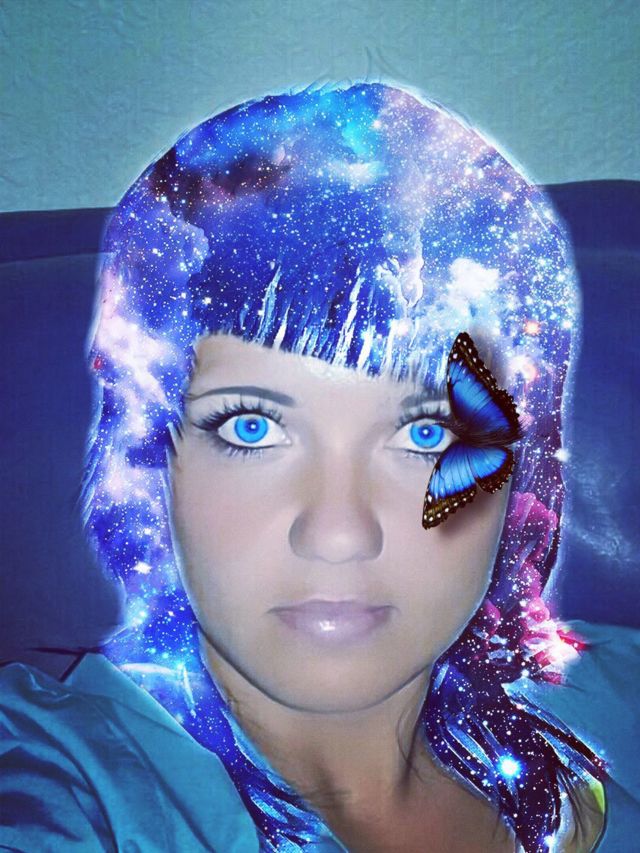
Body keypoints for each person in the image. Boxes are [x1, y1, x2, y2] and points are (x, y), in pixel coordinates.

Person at [0, 82, 607, 852]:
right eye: (252, 427)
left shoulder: (610, 691)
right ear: (155, 463)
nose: (338, 532)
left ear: (520, 474)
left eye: (427, 433)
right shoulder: (69, 782)